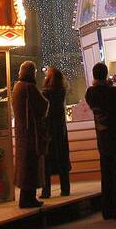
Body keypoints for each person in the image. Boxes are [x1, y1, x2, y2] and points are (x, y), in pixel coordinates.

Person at [85, 62, 116, 219]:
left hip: (102, 139)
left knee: (106, 175)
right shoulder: (112, 92)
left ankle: (107, 209)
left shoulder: (90, 93)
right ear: (105, 75)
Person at [11, 60, 49, 209]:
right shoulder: (29, 87)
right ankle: (29, 198)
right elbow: (43, 105)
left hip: (22, 132)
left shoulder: (17, 87)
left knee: (24, 165)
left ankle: (25, 197)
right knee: (31, 165)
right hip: (31, 133)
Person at [40, 66, 71, 199]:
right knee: (63, 159)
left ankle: (46, 191)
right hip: (60, 129)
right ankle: (65, 188)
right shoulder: (62, 91)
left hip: (48, 130)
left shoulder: (46, 93)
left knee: (47, 161)